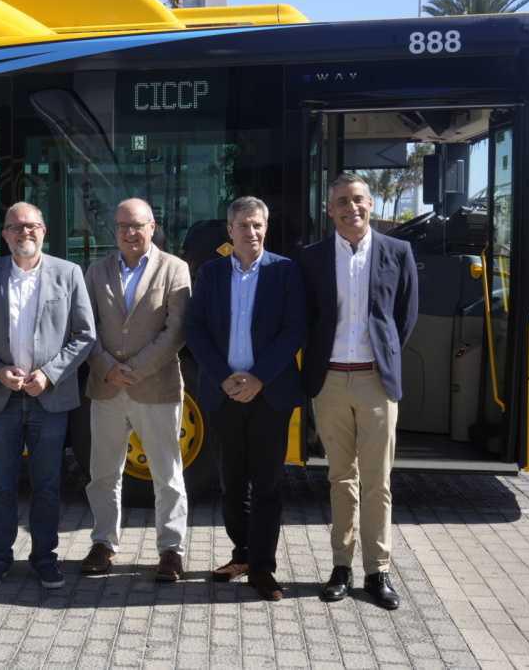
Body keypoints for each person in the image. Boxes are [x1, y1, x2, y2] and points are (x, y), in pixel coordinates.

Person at [298, 173, 418, 610]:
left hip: (375, 382)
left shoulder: (397, 252)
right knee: (339, 477)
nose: (352, 208)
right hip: (328, 381)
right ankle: (340, 566)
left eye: (359, 200)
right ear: (330, 209)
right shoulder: (310, 259)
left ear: (371, 204)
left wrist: (382, 358)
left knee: (377, 481)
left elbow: (403, 318)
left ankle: (378, 571)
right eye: (342, 202)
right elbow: (306, 319)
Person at [0, 201, 95, 590]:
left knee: (48, 484)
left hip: (50, 400)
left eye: (32, 226)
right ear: (4, 233)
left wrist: (50, 374)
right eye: (16, 227)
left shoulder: (68, 273)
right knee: (0, 484)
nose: (25, 233)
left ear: (44, 231)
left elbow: (85, 334)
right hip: (3, 400)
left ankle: (44, 558)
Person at [185, 196, 306, 601]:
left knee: (267, 483)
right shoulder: (211, 273)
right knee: (231, 481)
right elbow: (196, 330)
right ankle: (242, 553)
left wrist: (258, 378)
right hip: (224, 395)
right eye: (243, 225)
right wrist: (223, 378)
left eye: (258, 225)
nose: (251, 232)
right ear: (229, 230)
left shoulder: (285, 272)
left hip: (269, 394)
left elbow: (294, 330)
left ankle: (263, 568)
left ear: (265, 228)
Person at [81, 198, 192, 583]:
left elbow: (176, 330)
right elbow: (85, 328)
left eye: (137, 225)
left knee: (167, 474)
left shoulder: (175, 269)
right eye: (122, 226)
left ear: (152, 226)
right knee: (103, 472)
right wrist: (107, 367)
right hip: (106, 386)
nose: (130, 233)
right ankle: (103, 543)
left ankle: (171, 550)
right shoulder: (96, 272)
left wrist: (137, 369)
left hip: (156, 387)